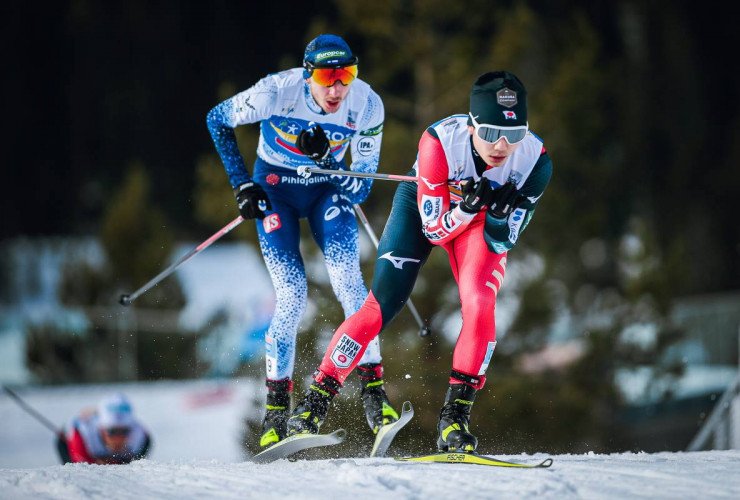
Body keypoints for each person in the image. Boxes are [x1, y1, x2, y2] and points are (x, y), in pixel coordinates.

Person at [287, 71, 553, 453]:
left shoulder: (535, 163)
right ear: (472, 123)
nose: (502, 147)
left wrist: (493, 217)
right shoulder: (439, 142)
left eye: (514, 135)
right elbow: (433, 230)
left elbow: (503, 238)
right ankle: (311, 408)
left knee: (480, 304)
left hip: (478, 222)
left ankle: (453, 422)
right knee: (379, 307)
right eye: (492, 133)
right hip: (425, 209)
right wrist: (464, 208)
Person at [206, 34, 397, 449]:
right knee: (291, 295)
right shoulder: (276, 91)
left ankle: (375, 397)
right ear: (307, 75)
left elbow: (361, 188)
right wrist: (242, 185)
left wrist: (328, 160)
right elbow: (216, 118)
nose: (336, 88)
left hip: (329, 189)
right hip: (275, 188)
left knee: (350, 283)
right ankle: (276, 414)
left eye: (345, 75)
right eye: (327, 77)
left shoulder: (367, 104)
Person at [57, 393, 151, 464]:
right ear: (101, 429)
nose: (118, 437)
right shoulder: (83, 433)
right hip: (66, 441)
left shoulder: (140, 436)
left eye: (124, 431)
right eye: (111, 431)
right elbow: (83, 466)